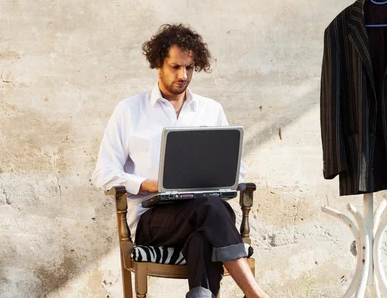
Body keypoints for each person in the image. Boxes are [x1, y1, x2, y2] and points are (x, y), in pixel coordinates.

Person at [92, 24, 269, 298]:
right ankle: (255, 293)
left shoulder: (211, 110)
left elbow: (236, 168)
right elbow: (103, 172)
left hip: (203, 215)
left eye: (189, 68)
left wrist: (220, 179)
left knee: (203, 237)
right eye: (175, 67)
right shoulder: (129, 110)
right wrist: (148, 184)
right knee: (213, 210)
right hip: (155, 221)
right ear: (158, 64)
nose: (183, 75)